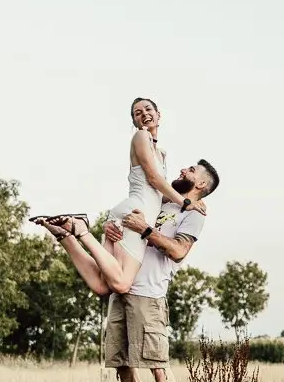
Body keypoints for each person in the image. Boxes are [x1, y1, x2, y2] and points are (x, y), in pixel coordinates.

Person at [37, 160, 218, 382]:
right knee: (123, 364)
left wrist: (146, 229)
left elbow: (179, 251)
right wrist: (113, 234)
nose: (183, 170)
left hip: (149, 294)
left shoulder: (193, 214)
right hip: (122, 287)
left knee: (157, 365)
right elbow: (129, 238)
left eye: (191, 170)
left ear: (202, 184)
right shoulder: (161, 202)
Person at [31, 97, 208, 295]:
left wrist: (194, 200)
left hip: (131, 212)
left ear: (159, 115)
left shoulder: (161, 153)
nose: (144, 114)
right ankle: (81, 230)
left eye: (148, 109)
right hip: (134, 212)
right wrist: (186, 203)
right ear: (134, 122)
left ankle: (64, 235)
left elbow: (158, 193)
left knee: (102, 285)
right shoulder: (141, 137)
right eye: (137, 113)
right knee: (122, 284)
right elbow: (153, 178)